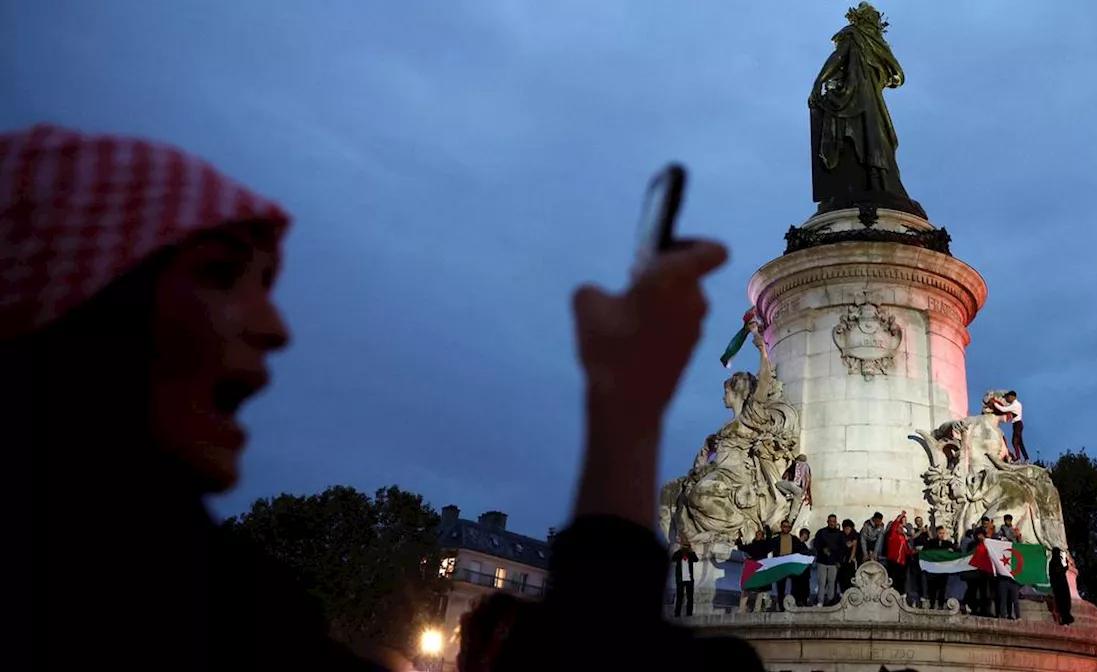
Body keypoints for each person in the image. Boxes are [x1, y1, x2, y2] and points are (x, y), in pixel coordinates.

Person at [9, 124, 764, 672]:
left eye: (267, 284)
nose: (274, 326)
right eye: (219, 274)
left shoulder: (186, 580)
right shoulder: (163, 599)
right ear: (63, 293)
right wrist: (626, 411)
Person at [767, 520, 809, 611]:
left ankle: (793, 603)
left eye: (789, 527)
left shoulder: (794, 539)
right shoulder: (776, 539)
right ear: (781, 527)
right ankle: (781, 606)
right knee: (780, 586)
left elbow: (802, 549)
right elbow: (767, 547)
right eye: (785, 526)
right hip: (780, 564)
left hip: (790, 563)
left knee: (795, 584)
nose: (787, 528)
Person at [811, 514, 845, 606]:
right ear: (827, 521)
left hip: (834, 562)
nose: (832, 523)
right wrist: (822, 549)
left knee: (832, 583)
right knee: (821, 582)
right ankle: (820, 601)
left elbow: (842, 549)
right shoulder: (821, 532)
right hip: (822, 561)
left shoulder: (840, 534)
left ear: (836, 522)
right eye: (830, 521)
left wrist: (839, 561)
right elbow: (816, 544)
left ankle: (830, 600)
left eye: (834, 521)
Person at [775, 454, 812, 525]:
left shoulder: (794, 464)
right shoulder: (807, 467)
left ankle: (788, 494)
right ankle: (790, 521)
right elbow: (808, 480)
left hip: (792, 485)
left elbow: (784, 476)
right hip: (800, 489)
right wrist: (805, 491)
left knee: (778, 484)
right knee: (794, 507)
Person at [992, 391, 1028, 463]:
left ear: (1013, 397)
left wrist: (994, 403)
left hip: (1017, 424)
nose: (1007, 399)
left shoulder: (1015, 405)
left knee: (1014, 442)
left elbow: (1003, 409)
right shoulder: (1016, 404)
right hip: (1017, 424)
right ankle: (1026, 458)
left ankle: (1018, 458)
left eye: (1008, 397)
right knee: (1020, 442)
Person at [671, 539, 698, 617]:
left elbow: (696, 560)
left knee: (690, 597)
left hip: (689, 579)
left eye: (687, 546)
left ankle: (689, 613)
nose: (686, 547)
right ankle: (677, 614)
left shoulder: (691, 555)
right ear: (682, 546)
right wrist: (680, 551)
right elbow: (673, 558)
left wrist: (692, 551)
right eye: (684, 545)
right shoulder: (678, 554)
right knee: (679, 597)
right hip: (680, 579)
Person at [1049, 548, 1074, 625]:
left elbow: (1061, 571)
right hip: (1058, 585)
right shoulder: (1053, 562)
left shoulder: (1057, 561)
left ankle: (1066, 617)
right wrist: (1065, 567)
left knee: (1066, 601)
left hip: (1063, 584)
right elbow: (1057, 571)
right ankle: (1063, 618)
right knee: (1061, 602)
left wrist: (1066, 565)